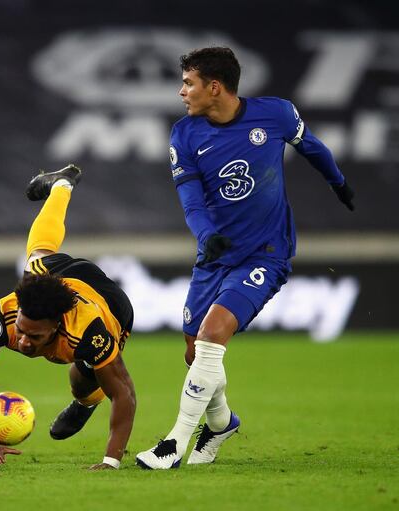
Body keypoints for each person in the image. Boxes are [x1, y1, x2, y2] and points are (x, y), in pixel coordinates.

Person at [136, 47, 355, 469]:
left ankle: (174, 444)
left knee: (212, 336)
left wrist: (338, 182)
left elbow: (312, 148)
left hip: (265, 254)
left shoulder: (275, 115)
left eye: (189, 83)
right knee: (193, 351)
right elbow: (191, 199)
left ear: (214, 87)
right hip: (214, 254)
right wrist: (207, 236)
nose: (182, 91)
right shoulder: (184, 134)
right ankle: (221, 422)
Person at [0, 165, 136, 470]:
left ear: (56, 325)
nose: (23, 341)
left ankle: (86, 402)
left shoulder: (90, 331)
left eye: (34, 336)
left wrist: (111, 461)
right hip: (57, 279)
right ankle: (62, 184)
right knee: (37, 258)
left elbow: (125, 394)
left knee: (85, 377)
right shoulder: (4, 316)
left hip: (109, 303)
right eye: (22, 331)